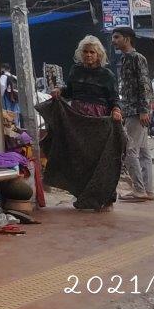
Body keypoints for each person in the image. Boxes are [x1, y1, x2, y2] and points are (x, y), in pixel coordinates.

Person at [47, 35, 123, 212]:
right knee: (79, 158)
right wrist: (59, 91)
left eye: (92, 52)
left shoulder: (107, 75)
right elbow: (70, 92)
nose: (88, 55)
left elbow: (114, 98)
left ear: (99, 55)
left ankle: (106, 197)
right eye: (86, 52)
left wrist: (116, 110)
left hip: (98, 122)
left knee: (100, 160)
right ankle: (83, 196)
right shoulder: (75, 70)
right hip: (77, 121)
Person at [111, 26, 154, 201]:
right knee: (143, 152)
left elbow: (144, 84)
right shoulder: (125, 59)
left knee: (130, 151)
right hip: (132, 110)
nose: (114, 40)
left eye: (117, 37)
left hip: (136, 112)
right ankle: (147, 190)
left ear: (127, 39)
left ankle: (139, 189)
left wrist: (143, 109)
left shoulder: (136, 58)